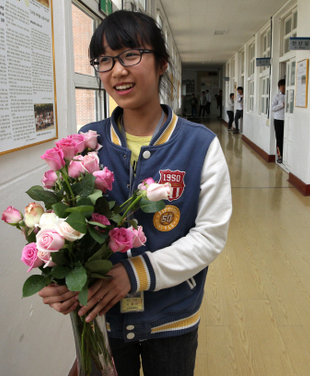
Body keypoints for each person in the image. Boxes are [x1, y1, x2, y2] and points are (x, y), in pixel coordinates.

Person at [37, 10, 232, 376]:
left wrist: (135, 272)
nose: (118, 70)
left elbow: (210, 235)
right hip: (101, 319)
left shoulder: (199, 144)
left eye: (130, 55)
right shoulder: (86, 143)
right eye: (105, 60)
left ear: (161, 63)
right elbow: (66, 225)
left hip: (171, 317)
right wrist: (60, 281)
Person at [271, 79, 286, 163]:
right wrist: (282, 105)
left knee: (286, 138)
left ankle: (286, 156)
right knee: (279, 138)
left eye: (284, 86)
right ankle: (280, 156)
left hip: (287, 120)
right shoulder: (276, 96)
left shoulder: (290, 95)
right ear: (279, 87)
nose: (283, 87)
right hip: (278, 120)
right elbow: (273, 108)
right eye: (281, 86)